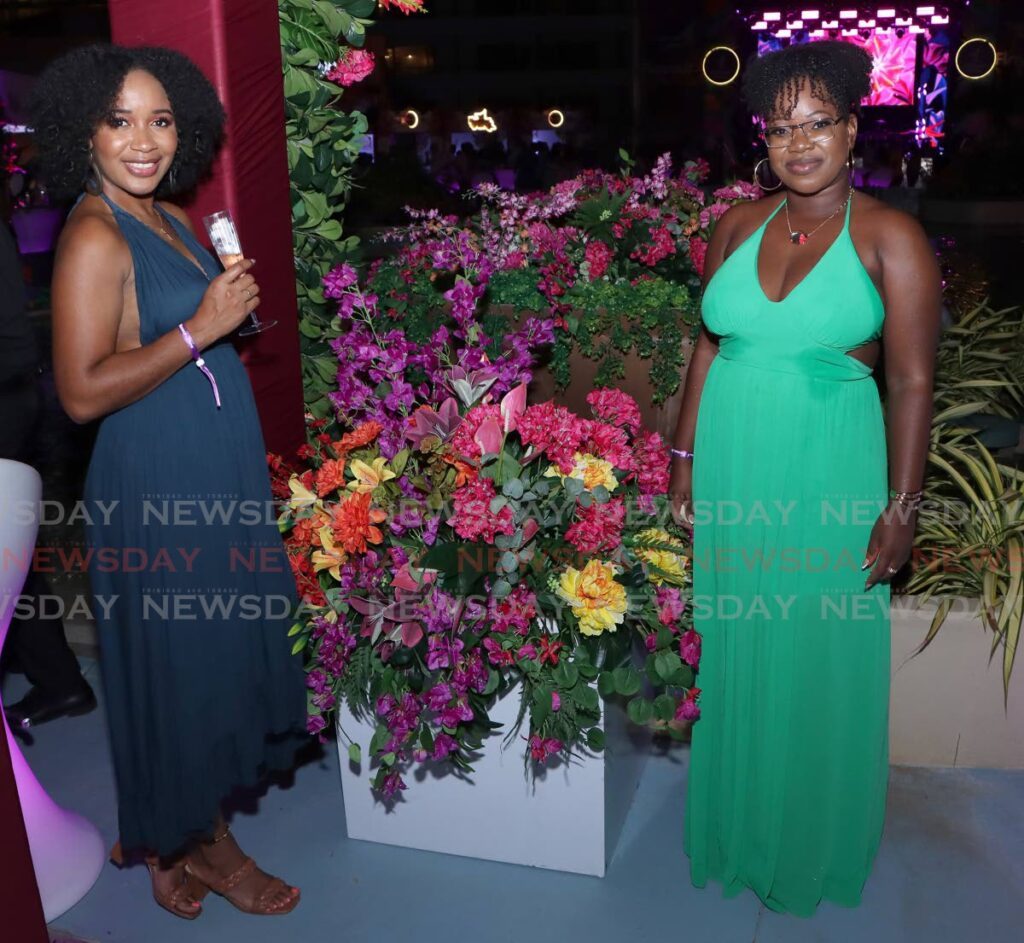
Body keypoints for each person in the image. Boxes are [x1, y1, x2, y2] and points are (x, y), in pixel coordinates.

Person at [31, 44, 307, 919]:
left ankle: (161, 832)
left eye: (160, 120)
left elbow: (196, 327)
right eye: (120, 120)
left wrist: (226, 310)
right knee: (184, 670)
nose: (142, 141)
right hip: (153, 482)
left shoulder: (169, 214)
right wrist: (199, 328)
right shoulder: (91, 234)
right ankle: (209, 847)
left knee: (206, 659)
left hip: (209, 464)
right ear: (87, 131)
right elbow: (79, 392)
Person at [669, 40, 941, 916]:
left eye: (818, 123)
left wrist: (901, 507)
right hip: (736, 461)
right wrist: (684, 460)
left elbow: (910, 381)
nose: (800, 142)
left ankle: (811, 839)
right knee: (740, 646)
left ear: (853, 129)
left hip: (830, 471)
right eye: (782, 127)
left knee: (817, 654)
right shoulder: (735, 226)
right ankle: (741, 828)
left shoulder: (891, 236)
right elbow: (707, 348)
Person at [0, 182, 96, 730]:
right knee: (11, 556)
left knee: (10, 555)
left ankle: (60, 682)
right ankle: (60, 682)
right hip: (15, 397)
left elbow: (14, 341)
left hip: (8, 400)